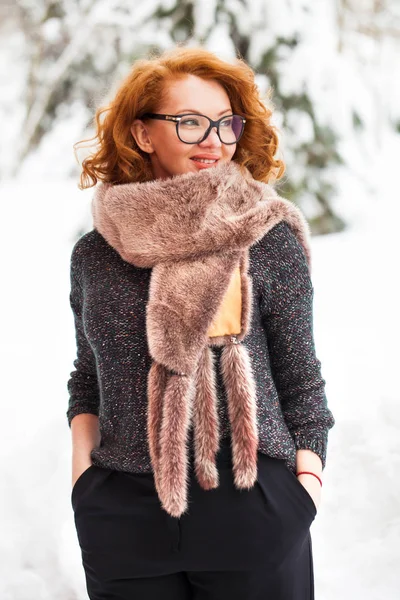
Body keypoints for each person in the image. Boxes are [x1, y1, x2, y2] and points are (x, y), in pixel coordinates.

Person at [67, 45, 335, 600]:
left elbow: (300, 375)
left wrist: (303, 487)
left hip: (249, 499)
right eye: (189, 123)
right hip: (125, 515)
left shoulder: (264, 236)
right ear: (143, 135)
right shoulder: (96, 254)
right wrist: (84, 485)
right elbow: (87, 376)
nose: (214, 139)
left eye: (225, 122)